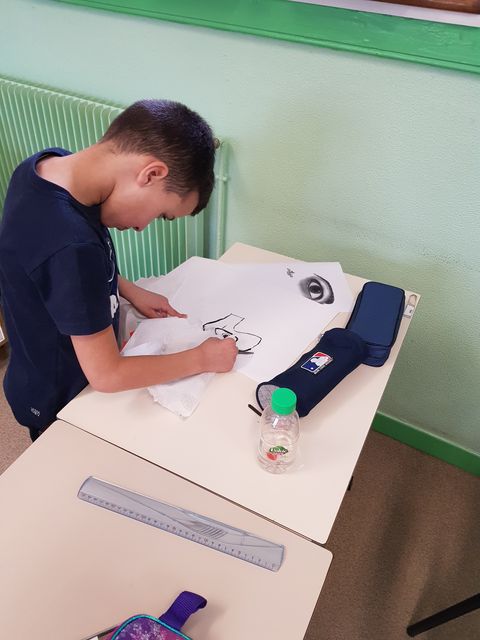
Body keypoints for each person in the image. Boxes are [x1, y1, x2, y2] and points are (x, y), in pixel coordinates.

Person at [0, 99, 238, 442]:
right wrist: (201, 358)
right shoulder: (72, 246)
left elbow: (51, 269)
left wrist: (126, 287)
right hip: (62, 400)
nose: (142, 228)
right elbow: (107, 375)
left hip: (38, 371)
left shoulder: (45, 167)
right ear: (151, 174)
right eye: (161, 215)